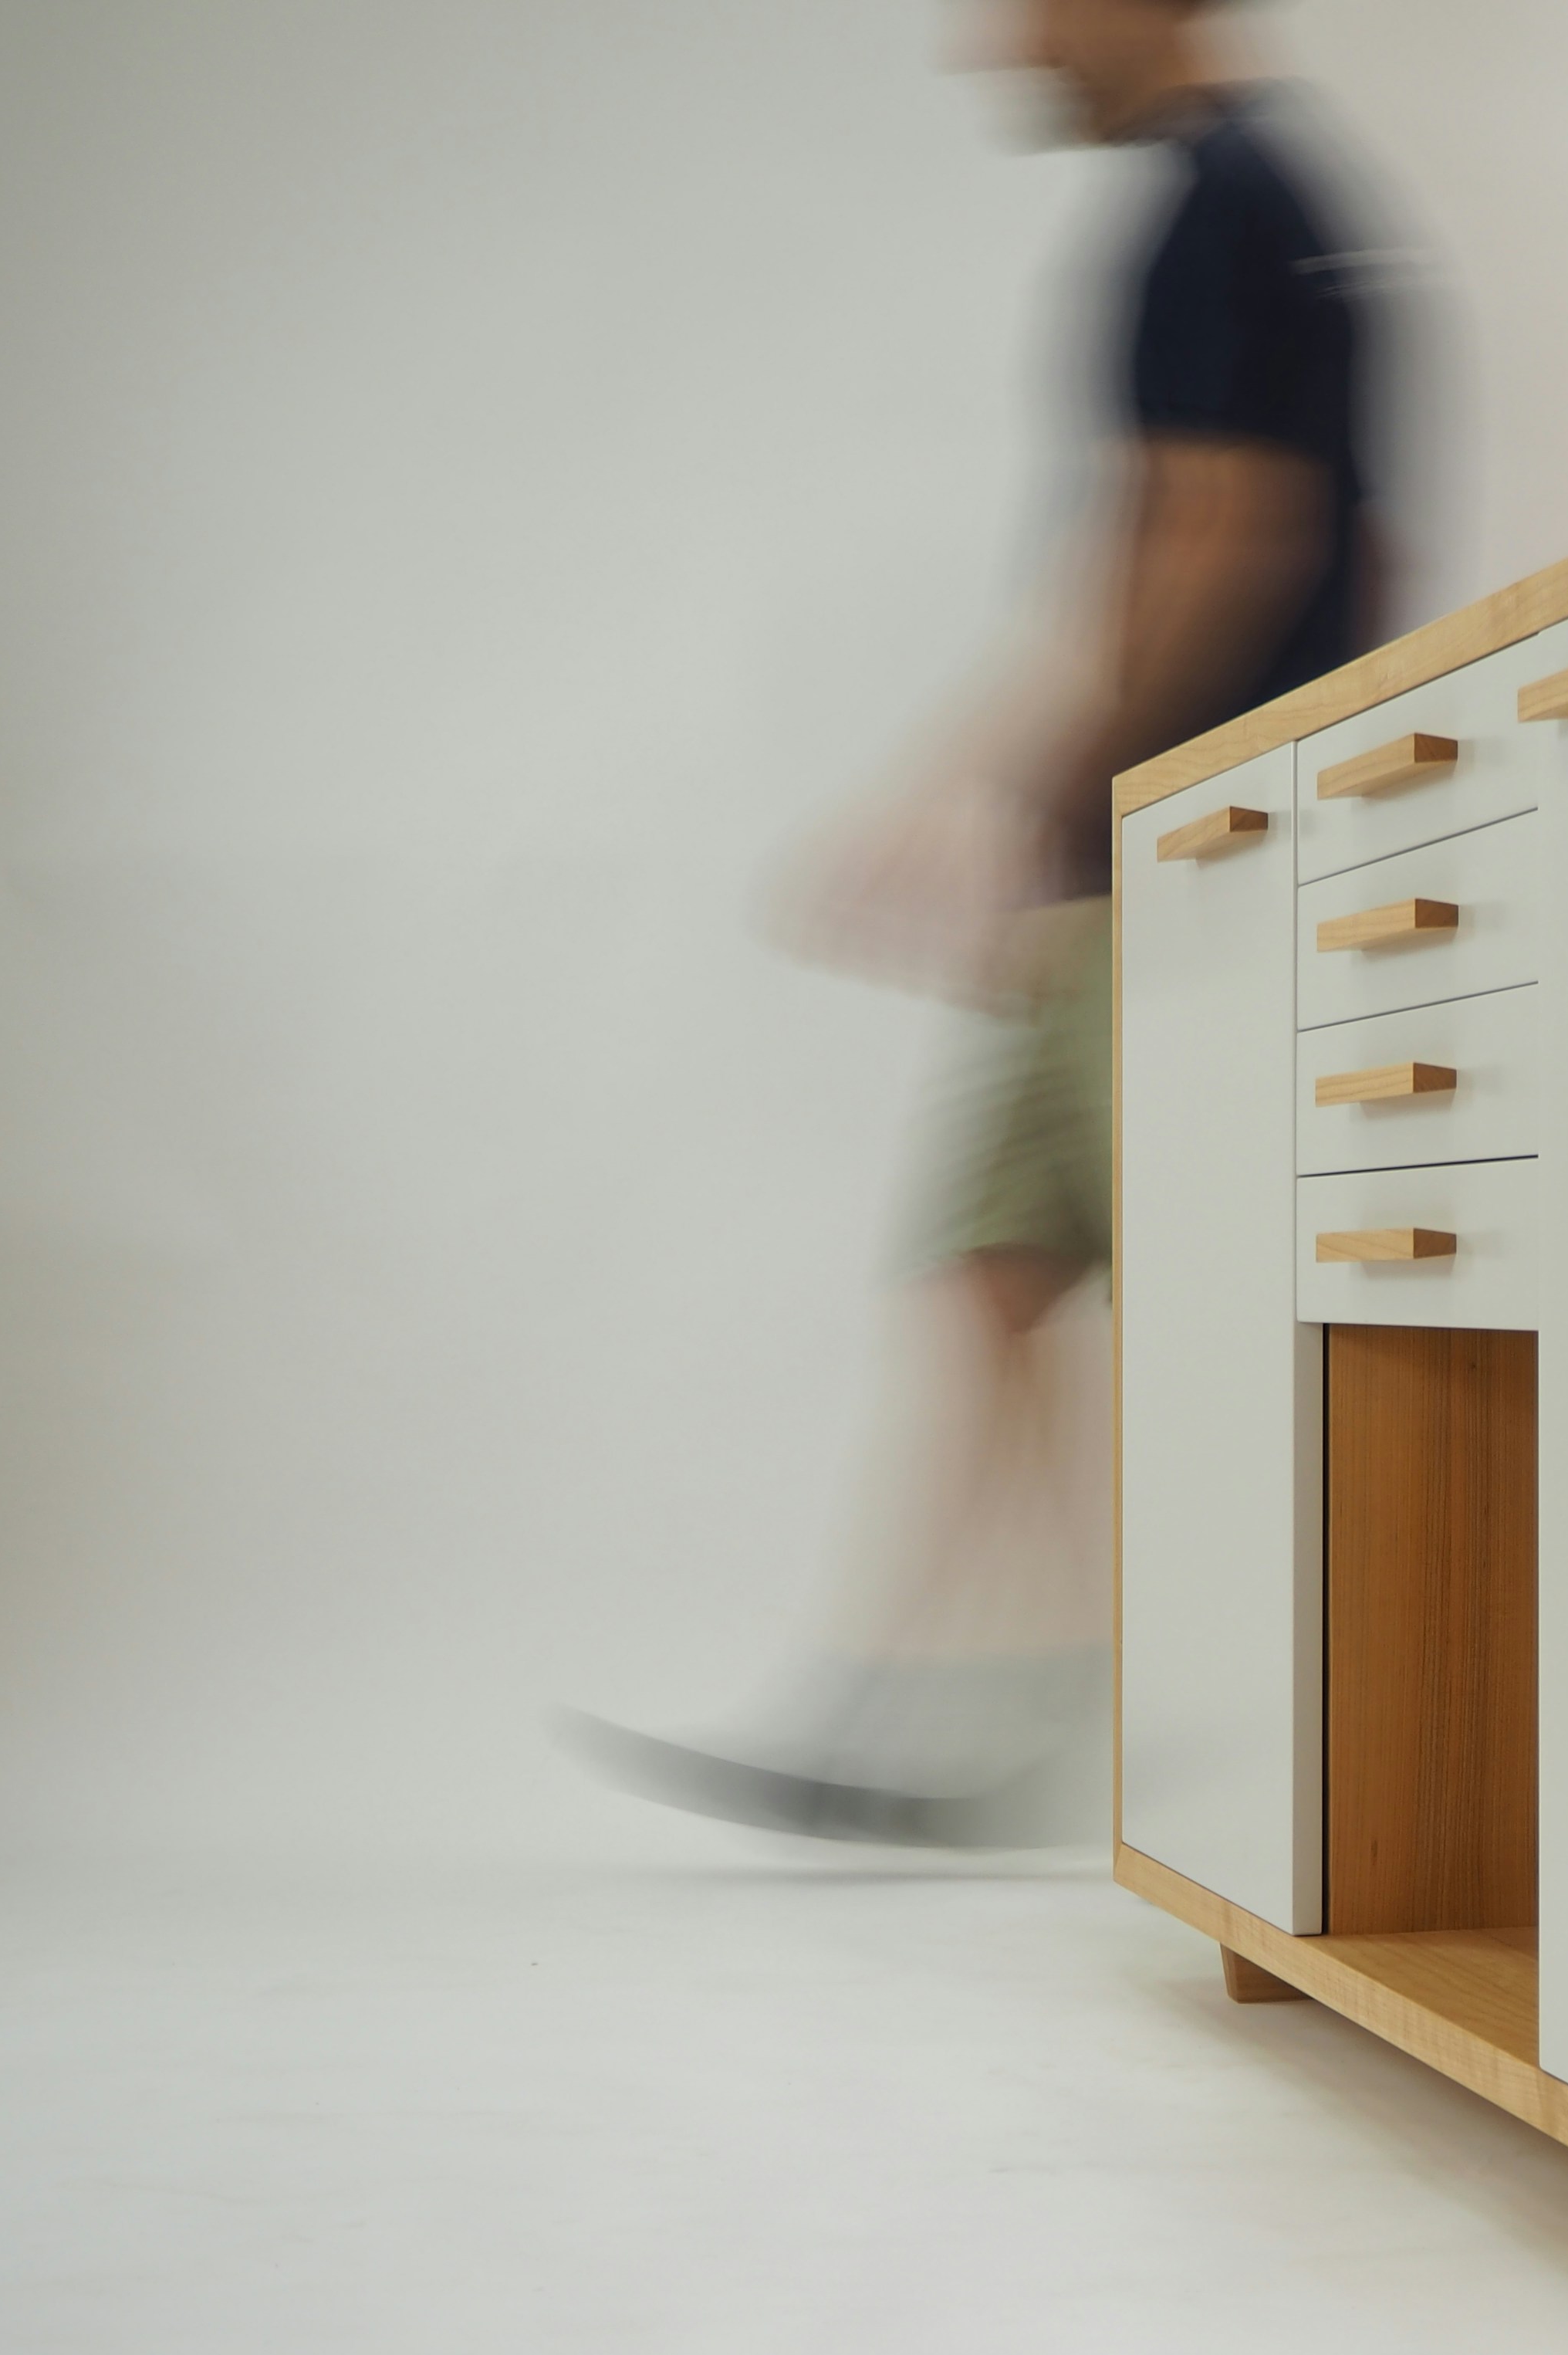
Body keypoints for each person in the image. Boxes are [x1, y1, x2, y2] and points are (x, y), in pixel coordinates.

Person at [569, 0, 1387, 1846]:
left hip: (1193, 854)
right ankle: (944, 1713)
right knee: (995, 1266)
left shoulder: (1230, 203)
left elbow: (1222, 534)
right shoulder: (1245, 199)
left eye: (1023, 7)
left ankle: (1191, 1733)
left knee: (1202, 1288)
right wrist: (978, 787)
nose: (990, 45)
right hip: (1143, 851)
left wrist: (1060, 779)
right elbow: (1219, 539)